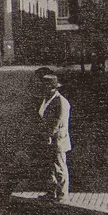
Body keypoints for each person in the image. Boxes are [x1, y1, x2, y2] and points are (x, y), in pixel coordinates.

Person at [38, 73, 71, 201]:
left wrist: (49, 135)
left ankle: (62, 194)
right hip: (48, 138)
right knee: (50, 167)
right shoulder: (47, 99)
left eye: (45, 86)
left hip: (57, 139)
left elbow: (59, 122)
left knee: (59, 166)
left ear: (53, 88)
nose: (43, 89)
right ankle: (51, 192)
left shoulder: (61, 101)